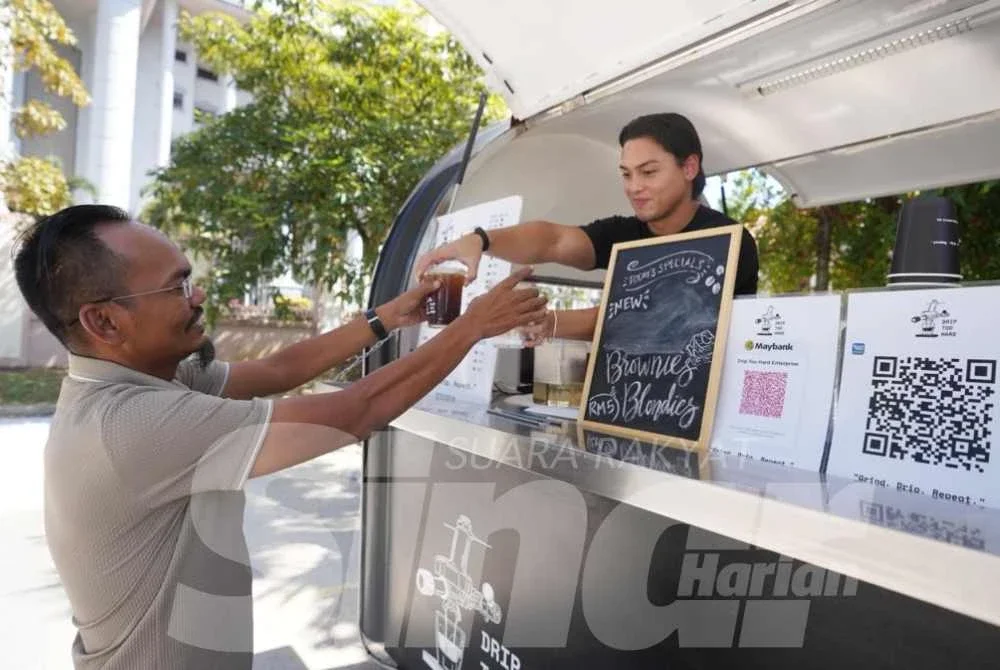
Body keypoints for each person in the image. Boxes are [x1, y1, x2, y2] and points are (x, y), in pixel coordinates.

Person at [12, 204, 547, 669]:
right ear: (104, 321)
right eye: (177, 285)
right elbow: (355, 412)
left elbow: (280, 370)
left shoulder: (149, 378)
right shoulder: (132, 425)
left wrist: (390, 315)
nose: (197, 294)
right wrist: (472, 327)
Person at [414, 112, 759, 345]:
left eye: (649, 172)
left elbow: (656, 316)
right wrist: (481, 239)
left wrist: (552, 323)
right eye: (626, 174)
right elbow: (553, 240)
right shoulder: (624, 233)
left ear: (689, 167)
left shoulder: (728, 241)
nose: (634, 186)